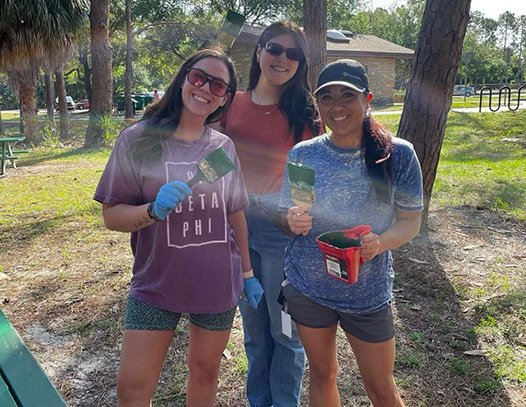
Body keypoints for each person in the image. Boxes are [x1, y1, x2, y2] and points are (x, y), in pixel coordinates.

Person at [93, 47, 264, 407]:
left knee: (205, 374)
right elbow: (112, 216)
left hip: (217, 283)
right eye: (199, 77)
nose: (205, 89)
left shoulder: (221, 149)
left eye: (218, 86)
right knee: (133, 387)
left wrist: (247, 274)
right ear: (184, 78)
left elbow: (234, 212)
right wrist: (153, 210)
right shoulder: (139, 139)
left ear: (225, 98)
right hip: (157, 283)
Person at [278, 59, 423, 407]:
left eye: (347, 94)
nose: (336, 105)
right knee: (322, 375)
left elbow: (410, 222)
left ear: (367, 99)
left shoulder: (397, 155)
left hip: (366, 293)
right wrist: (290, 220)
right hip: (308, 287)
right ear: (317, 104)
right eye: (326, 97)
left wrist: (380, 243)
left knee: (381, 387)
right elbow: (287, 214)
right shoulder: (303, 154)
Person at [216, 20, 319, 407]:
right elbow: (217, 159)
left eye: (293, 54)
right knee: (256, 333)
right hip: (237, 227)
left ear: (300, 63)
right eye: (275, 48)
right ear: (259, 51)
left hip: (282, 230)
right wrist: (188, 185)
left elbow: (304, 174)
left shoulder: (303, 111)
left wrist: (300, 213)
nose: (282, 59)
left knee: (287, 333)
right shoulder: (232, 103)